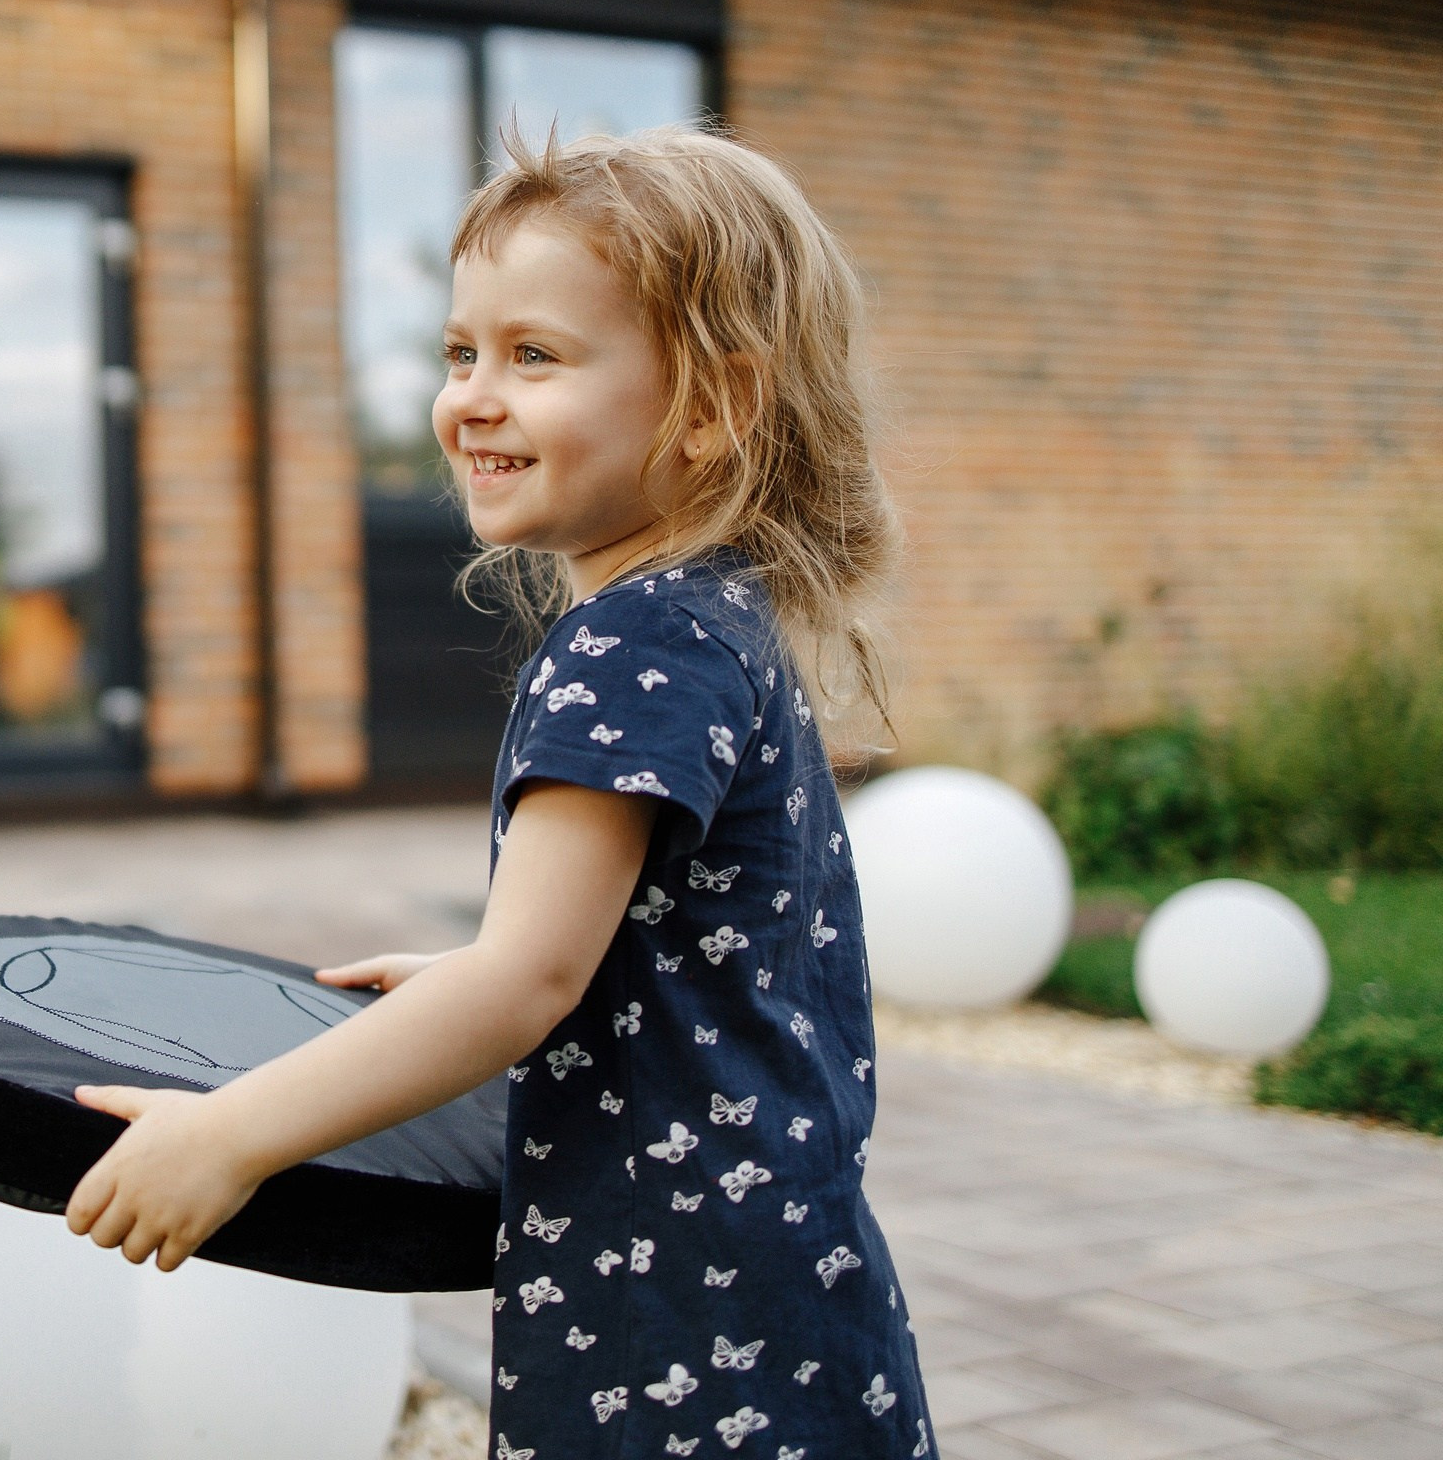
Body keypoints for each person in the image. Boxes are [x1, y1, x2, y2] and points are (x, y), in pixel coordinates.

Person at [66, 125, 934, 1458]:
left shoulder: (637, 638)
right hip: (771, 1272)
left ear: (714, 406)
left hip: (681, 1316)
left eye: (536, 356)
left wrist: (229, 1136)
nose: (473, 394)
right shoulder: (709, 617)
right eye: (463, 352)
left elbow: (526, 980)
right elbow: (666, 947)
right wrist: (507, 975)